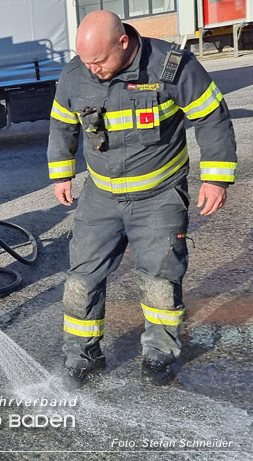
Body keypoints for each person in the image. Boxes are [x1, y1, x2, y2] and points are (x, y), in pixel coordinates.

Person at [47, 10, 237, 387]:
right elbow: (62, 122)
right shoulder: (75, 73)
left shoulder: (172, 67)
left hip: (158, 195)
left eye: (99, 61)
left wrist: (216, 179)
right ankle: (82, 355)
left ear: (123, 42)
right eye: (86, 62)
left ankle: (159, 353)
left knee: (159, 280)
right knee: (81, 280)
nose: (94, 70)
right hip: (101, 196)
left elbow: (212, 118)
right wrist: (61, 172)